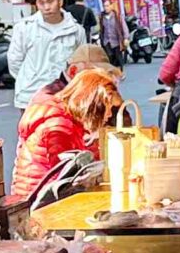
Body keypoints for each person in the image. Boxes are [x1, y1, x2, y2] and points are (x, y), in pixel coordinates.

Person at [9, 64, 126, 205]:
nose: (109, 114)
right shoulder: (58, 126)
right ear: (92, 104)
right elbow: (67, 177)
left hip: (43, 196)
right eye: (108, 107)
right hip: (39, 202)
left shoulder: (68, 117)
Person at [8, 0, 88, 109]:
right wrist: (29, 79)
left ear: (60, 2)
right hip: (32, 97)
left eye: (50, 1)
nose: (46, 7)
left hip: (65, 96)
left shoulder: (76, 31)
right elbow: (15, 61)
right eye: (41, 3)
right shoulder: (25, 28)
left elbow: (82, 63)